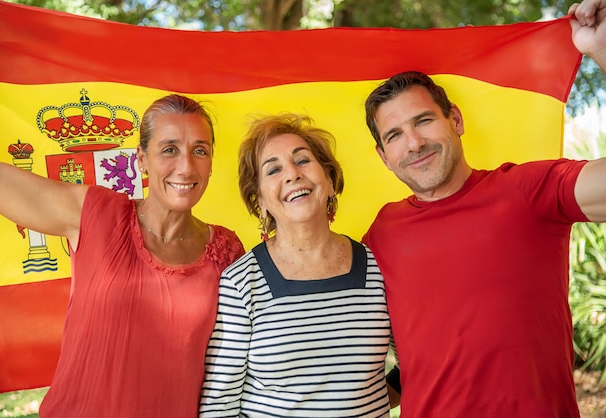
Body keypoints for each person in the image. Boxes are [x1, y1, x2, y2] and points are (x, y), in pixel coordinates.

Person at [361, 1, 606, 417]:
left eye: (423, 121)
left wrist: (601, 51)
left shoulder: (527, 190)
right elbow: (412, 363)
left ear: (454, 119)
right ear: (384, 156)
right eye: (396, 135)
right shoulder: (381, 233)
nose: (414, 143)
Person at [0, 94, 245, 418]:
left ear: (211, 162)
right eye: (169, 149)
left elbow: (233, 367)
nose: (186, 166)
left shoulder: (227, 251)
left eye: (199, 150)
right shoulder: (96, 215)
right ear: (142, 159)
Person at [199, 113, 393, 417]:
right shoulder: (241, 282)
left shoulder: (377, 265)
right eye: (273, 169)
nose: (292, 174)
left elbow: (416, 364)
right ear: (259, 199)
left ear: (329, 180)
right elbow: (218, 407)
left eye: (302, 161)